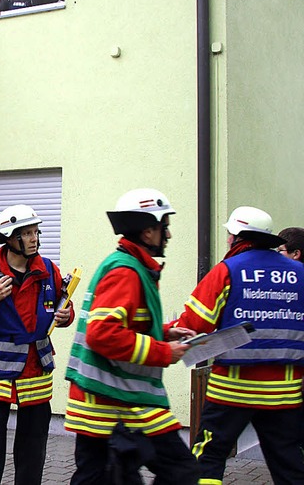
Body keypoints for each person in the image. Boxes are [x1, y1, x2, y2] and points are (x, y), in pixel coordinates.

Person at [65, 188, 199, 485]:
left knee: (107, 476)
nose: (170, 235)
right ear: (148, 231)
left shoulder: (132, 266)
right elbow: (102, 333)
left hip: (114, 398)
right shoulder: (126, 270)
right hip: (115, 401)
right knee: (182, 471)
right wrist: (164, 352)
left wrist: (166, 333)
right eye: (165, 227)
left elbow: (124, 326)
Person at [175, 206, 304, 484]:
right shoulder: (300, 273)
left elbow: (194, 324)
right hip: (284, 392)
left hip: (232, 390)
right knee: (289, 465)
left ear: (236, 236)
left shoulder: (227, 270)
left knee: (207, 458)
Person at [0, 205, 74, 485]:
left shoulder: (48, 271)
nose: (35, 239)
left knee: (32, 455)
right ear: (9, 238)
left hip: (36, 378)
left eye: (36, 232)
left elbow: (61, 306)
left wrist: (67, 315)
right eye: (27, 233)